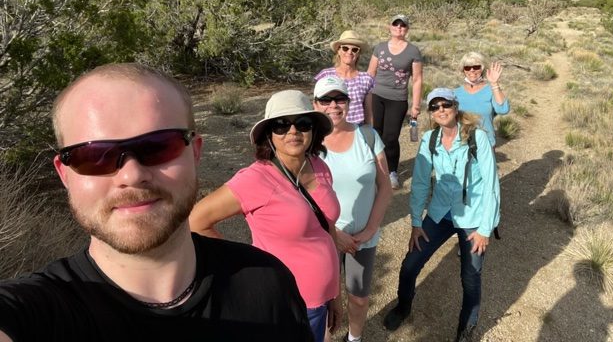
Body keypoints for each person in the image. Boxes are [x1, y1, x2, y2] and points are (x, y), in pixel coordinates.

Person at [0, 63, 313, 342]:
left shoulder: (269, 283)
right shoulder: (36, 313)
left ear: (195, 152)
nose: (132, 175)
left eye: (158, 146)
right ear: (65, 174)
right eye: (94, 156)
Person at [189, 90, 341, 342]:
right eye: (281, 125)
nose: (293, 131)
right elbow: (196, 220)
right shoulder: (256, 179)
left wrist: (335, 294)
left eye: (302, 123)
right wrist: (241, 264)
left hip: (322, 298)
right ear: (269, 135)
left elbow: (328, 230)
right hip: (285, 302)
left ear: (313, 130)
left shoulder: (319, 166)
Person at [383, 88, 500, 342]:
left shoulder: (477, 138)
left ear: (455, 107)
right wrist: (416, 222)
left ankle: (466, 329)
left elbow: (492, 185)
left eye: (445, 104)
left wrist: (484, 229)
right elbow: (422, 183)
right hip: (440, 213)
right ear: (431, 113)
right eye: (434, 107)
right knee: (410, 264)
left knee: (470, 277)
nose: (440, 110)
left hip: (473, 217)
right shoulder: (430, 139)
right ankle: (403, 307)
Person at [312, 76, 393, 342]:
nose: (333, 106)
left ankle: (354, 339)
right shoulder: (309, 145)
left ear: (349, 102)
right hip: (324, 238)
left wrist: (371, 228)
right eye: (326, 100)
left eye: (340, 99)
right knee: (322, 299)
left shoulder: (367, 136)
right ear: (315, 104)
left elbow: (385, 186)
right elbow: (304, 198)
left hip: (361, 238)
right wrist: (334, 233)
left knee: (358, 299)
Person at [367, 14, 423, 189]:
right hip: (376, 95)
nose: (399, 28)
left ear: (407, 29)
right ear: (390, 27)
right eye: (396, 24)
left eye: (403, 25)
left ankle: (391, 171)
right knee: (374, 133)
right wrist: (364, 96)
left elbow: (417, 79)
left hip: (397, 99)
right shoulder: (380, 48)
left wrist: (416, 105)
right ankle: (373, 169)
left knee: (390, 137)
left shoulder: (413, 51)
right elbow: (370, 73)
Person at [315, 30, 375, 126]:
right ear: (338, 51)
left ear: (358, 53)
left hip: (357, 130)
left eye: (354, 49)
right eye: (345, 48)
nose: (349, 52)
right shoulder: (325, 75)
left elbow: (369, 112)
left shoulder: (366, 79)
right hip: (330, 129)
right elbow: (317, 107)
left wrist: (371, 134)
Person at [453, 52, 510, 148]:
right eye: (467, 67)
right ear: (463, 70)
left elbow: (503, 110)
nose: (472, 70)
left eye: (476, 67)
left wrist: (494, 84)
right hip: (461, 144)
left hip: (486, 144)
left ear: (482, 68)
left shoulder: (491, 90)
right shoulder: (455, 93)